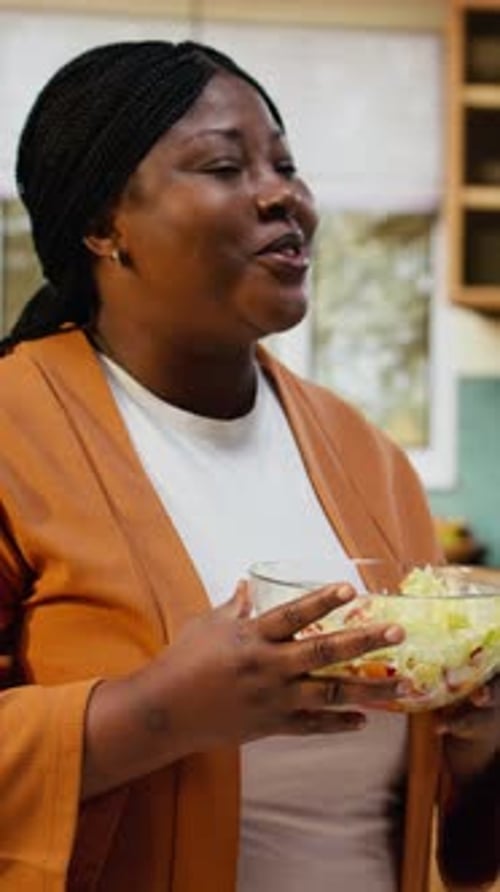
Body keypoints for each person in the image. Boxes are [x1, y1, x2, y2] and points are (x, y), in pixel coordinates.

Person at [0, 39, 497, 892]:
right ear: (103, 226)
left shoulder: (365, 458)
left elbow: (458, 830)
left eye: (286, 163)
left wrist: (482, 736)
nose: (284, 196)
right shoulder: (15, 433)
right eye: (225, 166)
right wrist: (159, 713)